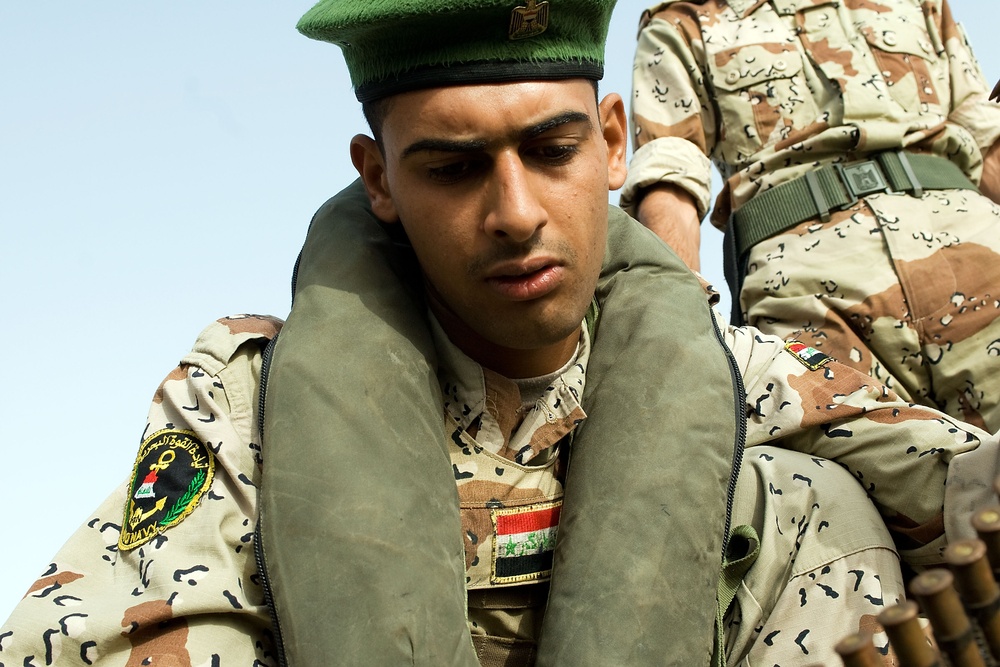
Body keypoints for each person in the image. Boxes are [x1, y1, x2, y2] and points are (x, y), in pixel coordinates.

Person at [1, 1, 999, 665]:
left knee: (812, 493)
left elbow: (944, 470)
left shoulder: (731, 369)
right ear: (379, 178)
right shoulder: (246, 393)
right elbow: (92, 630)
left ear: (612, 145)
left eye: (549, 148)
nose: (515, 211)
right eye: (453, 167)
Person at [622, 0, 1000, 433]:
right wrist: (685, 342)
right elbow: (671, 181)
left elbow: (988, 142)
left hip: (979, 255)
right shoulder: (682, 24)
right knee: (855, 487)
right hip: (808, 296)